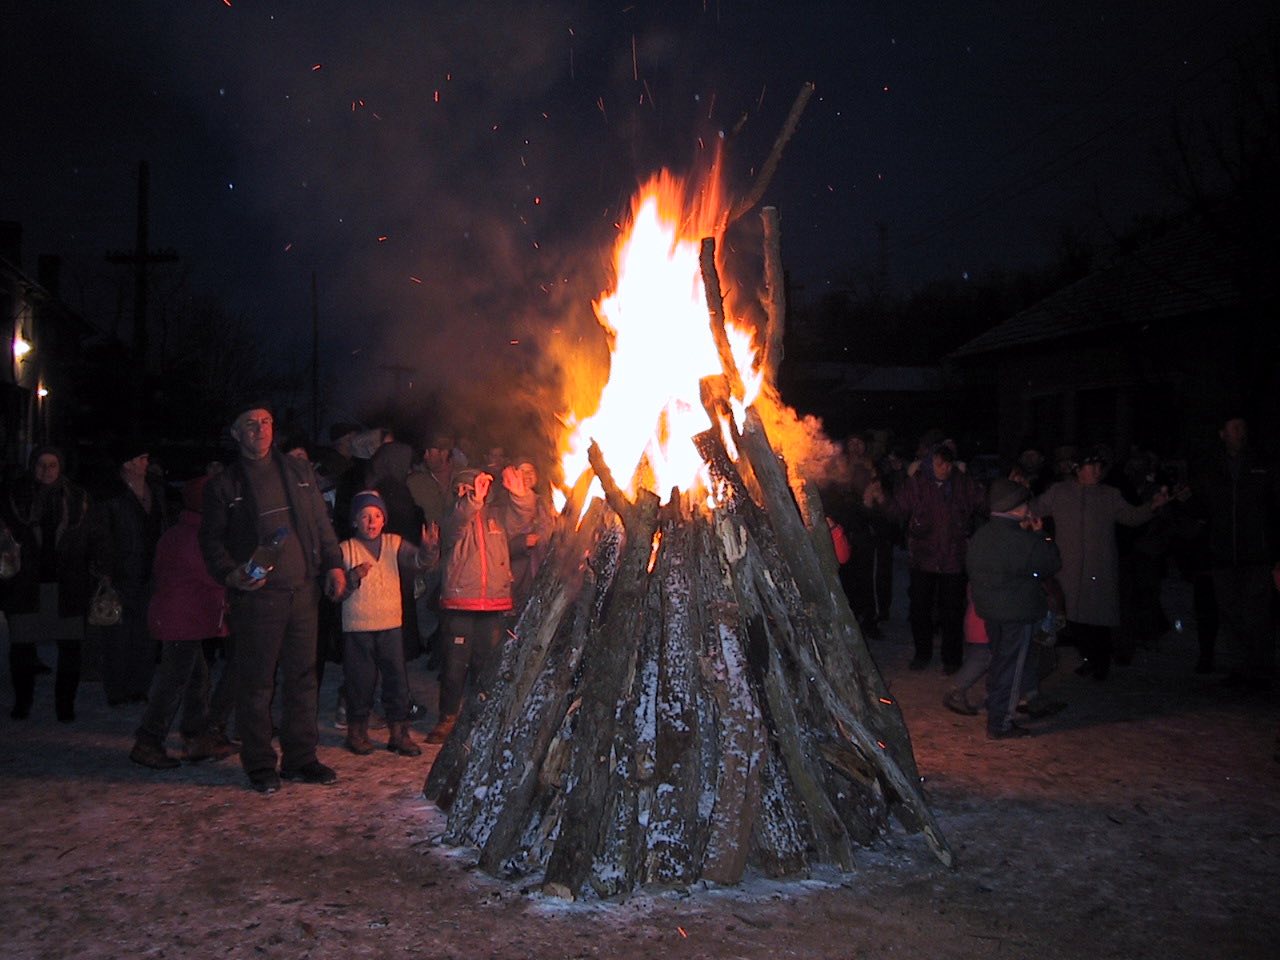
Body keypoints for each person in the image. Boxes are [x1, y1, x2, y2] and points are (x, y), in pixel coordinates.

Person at [199, 403, 347, 794]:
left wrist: (333, 564)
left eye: (266, 422)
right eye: (250, 424)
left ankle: (300, 759)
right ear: (235, 433)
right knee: (257, 684)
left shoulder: (297, 472)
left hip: (303, 591)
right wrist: (231, 573)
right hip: (259, 598)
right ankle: (260, 764)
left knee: (302, 679)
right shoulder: (225, 485)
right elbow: (211, 541)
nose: (260, 430)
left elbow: (319, 522)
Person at [1030, 446, 1168, 680]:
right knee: (1071, 619)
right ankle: (1089, 658)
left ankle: (1100, 662)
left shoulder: (1110, 495)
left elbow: (1132, 517)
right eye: (1090, 466)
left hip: (1099, 569)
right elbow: (1033, 508)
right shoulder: (1059, 492)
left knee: (1097, 621)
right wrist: (1020, 494)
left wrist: (1152, 507)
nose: (1096, 470)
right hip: (1068, 569)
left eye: (1098, 466)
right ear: (1078, 469)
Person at [129, 476, 238, 769]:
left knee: (195, 680)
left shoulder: (184, 531)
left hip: (182, 619)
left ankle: (196, 738)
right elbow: (214, 575)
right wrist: (244, 577)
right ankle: (149, 741)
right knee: (173, 682)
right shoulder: (196, 537)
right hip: (181, 622)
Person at [427, 465, 534, 744]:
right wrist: (472, 500)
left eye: (473, 488)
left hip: (493, 602)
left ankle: (481, 715)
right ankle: (448, 717)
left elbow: (522, 518)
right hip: (461, 601)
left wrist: (519, 494)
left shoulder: (496, 517)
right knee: (454, 664)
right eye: (464, 488)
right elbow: (458, 521)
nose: (471, 493)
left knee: (486, 664)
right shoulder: (452, 517)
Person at [866, 441, 986, 672]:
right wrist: (881, 497)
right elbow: (897, 510)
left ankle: (952, 659)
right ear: (930, 464)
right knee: (920, 609)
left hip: (953, 560)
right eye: (939, 463)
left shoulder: (963, 485)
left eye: (947, 464)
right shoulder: (917, 485)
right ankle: (922, 653)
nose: (944, 468)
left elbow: (985, 504)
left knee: (952, 611)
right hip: (923, 559)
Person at [335, 490, 438, 757]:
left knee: (396, 681)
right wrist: (353, 577)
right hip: (358, 628)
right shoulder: (345, 549)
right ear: (355, 521)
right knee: (360, 681)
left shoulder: (394, 543)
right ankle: (356, 731)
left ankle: (399, 733)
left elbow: (417, 562)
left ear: (384, 520)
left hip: (390, 625)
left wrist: (428, 551)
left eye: (377, 516)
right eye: (365, 516)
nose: (371, 521)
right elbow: (335, 592)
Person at [0, 446, 92, 722]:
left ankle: (65, 705)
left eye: (52, 465)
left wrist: (100, 565)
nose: (47, 471)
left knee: (70, 648)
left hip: (66, 583)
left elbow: (93, 535)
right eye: (42, 464)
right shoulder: (15, 496)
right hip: (26, 583)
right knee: (23, 647)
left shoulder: (77, 498)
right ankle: (23, 702)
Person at [966, 479, 1062, 739]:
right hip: (1018, 613)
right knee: (1012, 666)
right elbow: (1051, 563)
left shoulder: (981, 535)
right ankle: (1001, 722)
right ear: (1018, 508)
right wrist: (1042, 534)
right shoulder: (1023, 540)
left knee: (1000, 661)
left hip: (990, 609)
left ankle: (996, 708)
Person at [1191, 416, 1280, 689]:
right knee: (1230, 613)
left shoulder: (1262, 466)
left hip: (1256, 553)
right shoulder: (1212, 469)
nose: (1240, 432)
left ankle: (1261, 667)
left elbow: (1274, 509)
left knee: (1257, 613)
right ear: (1222, 434)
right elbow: (1200, 508)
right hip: (1222, 553)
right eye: (1234, 427)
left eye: (1243, 426)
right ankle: (1240, 667)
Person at [90, 441, 167, 706]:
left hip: (149, 571)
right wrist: (105, 571)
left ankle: (138, 686)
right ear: (128, 464)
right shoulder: (112, 496)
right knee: (118, 634)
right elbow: (102, 536)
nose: (147, 463)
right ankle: (117, 688)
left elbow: (161, 527)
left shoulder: (155, 492)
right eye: (142, 458)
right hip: (121, 573)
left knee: (145, 633)